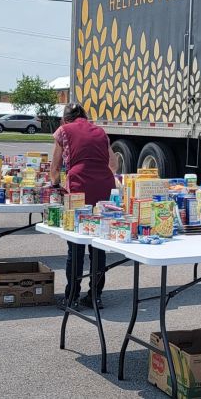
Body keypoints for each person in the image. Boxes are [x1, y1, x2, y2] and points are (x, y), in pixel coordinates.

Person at [50, 103, 117, 310]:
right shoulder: (100, 131)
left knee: (76, 244)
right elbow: (113, 164)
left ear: (64, 119)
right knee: (98, 243)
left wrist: (55, 185)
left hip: (79, 190)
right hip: (104, 190)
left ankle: (72, 297)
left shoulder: (63, 131)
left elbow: (55, 166)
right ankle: (95, 296)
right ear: (85, 116)